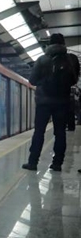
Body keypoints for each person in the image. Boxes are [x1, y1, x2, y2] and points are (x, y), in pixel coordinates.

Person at [22, 33, 79, 171]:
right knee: (60, 133)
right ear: (64, 44)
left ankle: (33, 162)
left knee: (39, 132)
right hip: (62, 102)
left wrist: (44, 82)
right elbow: (74, 80)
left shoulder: (42, 60)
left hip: (43, 103)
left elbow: (32, 80)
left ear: (49, 44)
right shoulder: (71, 60)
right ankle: (57, 163)